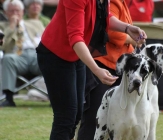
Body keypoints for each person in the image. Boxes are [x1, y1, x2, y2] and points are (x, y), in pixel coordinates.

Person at [36, 0, 147, 139]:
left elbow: (104, 16)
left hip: (75, 55)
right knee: (66, 117)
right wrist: (96, 69)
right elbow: (76, 37)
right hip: (55, 55)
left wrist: (127, 28)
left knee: (76, 115)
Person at [77, 0, 138, 139]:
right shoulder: (114, 2)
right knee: (95, 117)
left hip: (114, 66)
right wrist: (133, 40)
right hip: (103, 65)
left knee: (112, 119)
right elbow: (112, 32)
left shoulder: (122, 2)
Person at [0, 0, 45, 107]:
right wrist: (11, 27)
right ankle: (9, 98)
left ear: (23, 11)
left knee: (52, 60)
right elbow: (2, 46)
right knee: (8, 58)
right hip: (17, 56)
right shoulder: (2, 26)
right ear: (5, 13)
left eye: (17, 10)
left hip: (36, 54)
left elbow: (47, 40)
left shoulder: (35, 23)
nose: (15, 13)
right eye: (11, 11)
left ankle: (56, 97)